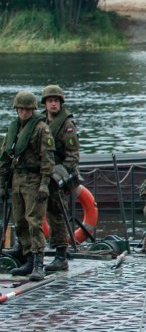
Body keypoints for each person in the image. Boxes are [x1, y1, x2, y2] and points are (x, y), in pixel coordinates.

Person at [0, 92, 53, 281]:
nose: (23, 112)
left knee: (34, 221)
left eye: (27, 109)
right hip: (17, 179)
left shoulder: (41, 129)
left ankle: (38, 262)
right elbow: (5, 157)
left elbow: (48, 158)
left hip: (33, 179)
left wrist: (44, 184)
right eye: (21, 109)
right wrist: (2, 184)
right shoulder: (14, 128)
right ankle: (28, 257)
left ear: (33, 110)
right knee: (20, 220)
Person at [39, 85, 80, 273]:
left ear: (60, 103)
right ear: (45, 104)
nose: (53, 104)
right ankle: (28, 250)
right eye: (50, 101)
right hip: (41, 173)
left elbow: (73, 156)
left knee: (57, 214)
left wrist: (58, 174)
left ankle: (61, 255)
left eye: (56, 101)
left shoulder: (67, 125)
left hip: (58, 175)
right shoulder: (40, 122)